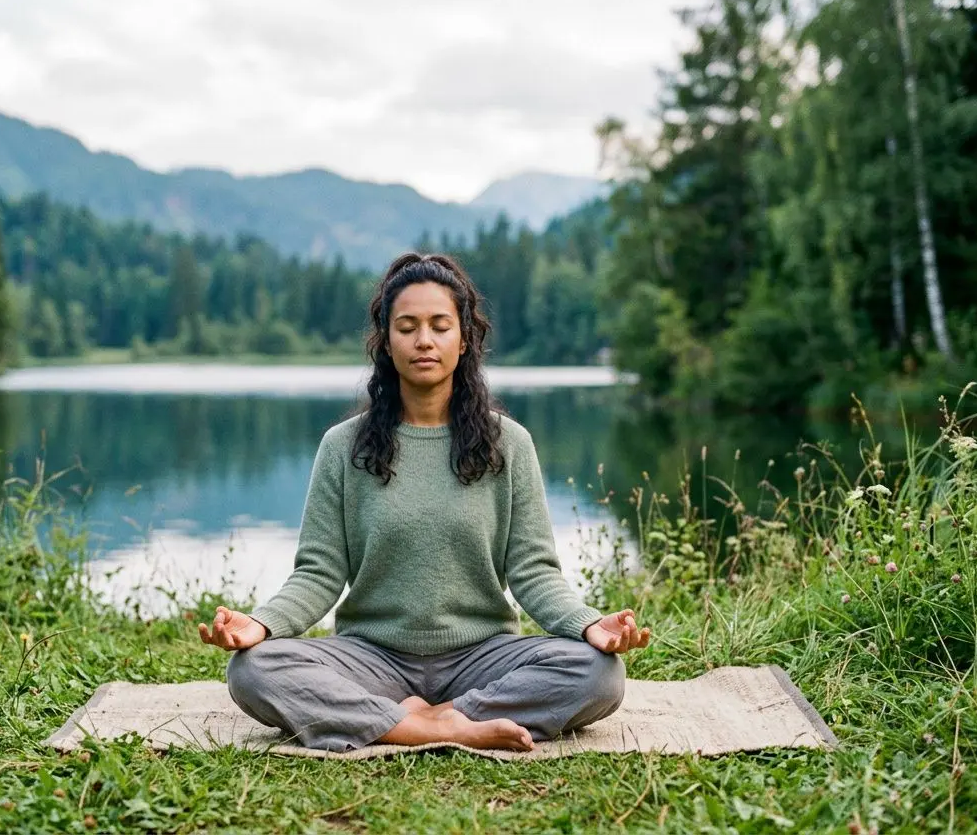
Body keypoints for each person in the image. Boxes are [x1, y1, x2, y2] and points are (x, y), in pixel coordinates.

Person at [198, 252, 650, 753]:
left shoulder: (510, 445)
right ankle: (441, 728)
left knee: (599, 672)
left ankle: (417, 719)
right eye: (407, 327)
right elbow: (319, 573)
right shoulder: (343, 447)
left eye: (440, 325)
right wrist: (261, 624)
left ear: (464, 339)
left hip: (483, 656)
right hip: (372, 658)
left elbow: (534, 572)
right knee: (254, 669)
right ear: (386, 342)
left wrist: (588, 624)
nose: (424, 341)